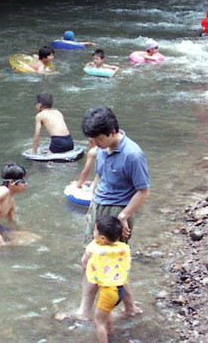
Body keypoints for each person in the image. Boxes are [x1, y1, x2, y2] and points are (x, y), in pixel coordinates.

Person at [75, 106, 148, 320]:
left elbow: (143, 191)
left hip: (118, 212)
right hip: (99, 207)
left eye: (98, 139)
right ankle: (91, 310)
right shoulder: (100, 149)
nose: (94, 144)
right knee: (92, 261)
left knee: (110, 263)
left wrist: (123, 216)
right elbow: (100, 177)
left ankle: (123, 308)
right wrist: (91, 207)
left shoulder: (133, 155)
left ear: (112, 132)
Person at [81, 216, 134, 343]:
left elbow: (84, 262)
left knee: (99, 322)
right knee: (107, 312)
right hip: (119, 290)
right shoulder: (124, 248)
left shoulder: (94, 248)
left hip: (108, 292)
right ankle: (112, 333)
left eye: (95, 231)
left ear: (102, 238)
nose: (93, 234)